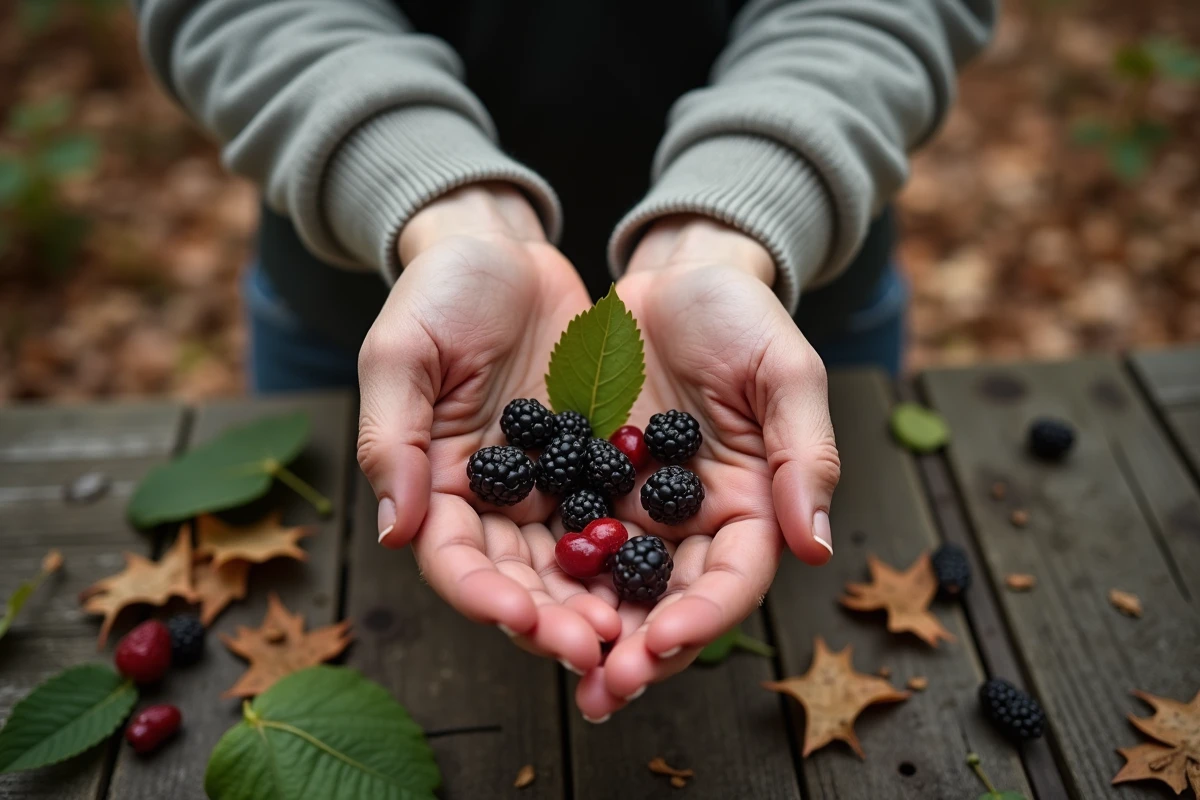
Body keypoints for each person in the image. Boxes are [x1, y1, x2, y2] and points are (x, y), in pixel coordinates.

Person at [134, 0, 995, 721]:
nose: (601, 520)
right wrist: (438, 197)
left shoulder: (624, 470)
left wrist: (738, 218)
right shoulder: (583, 472)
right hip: (362, 292)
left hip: (791, 286)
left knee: (766, 646)